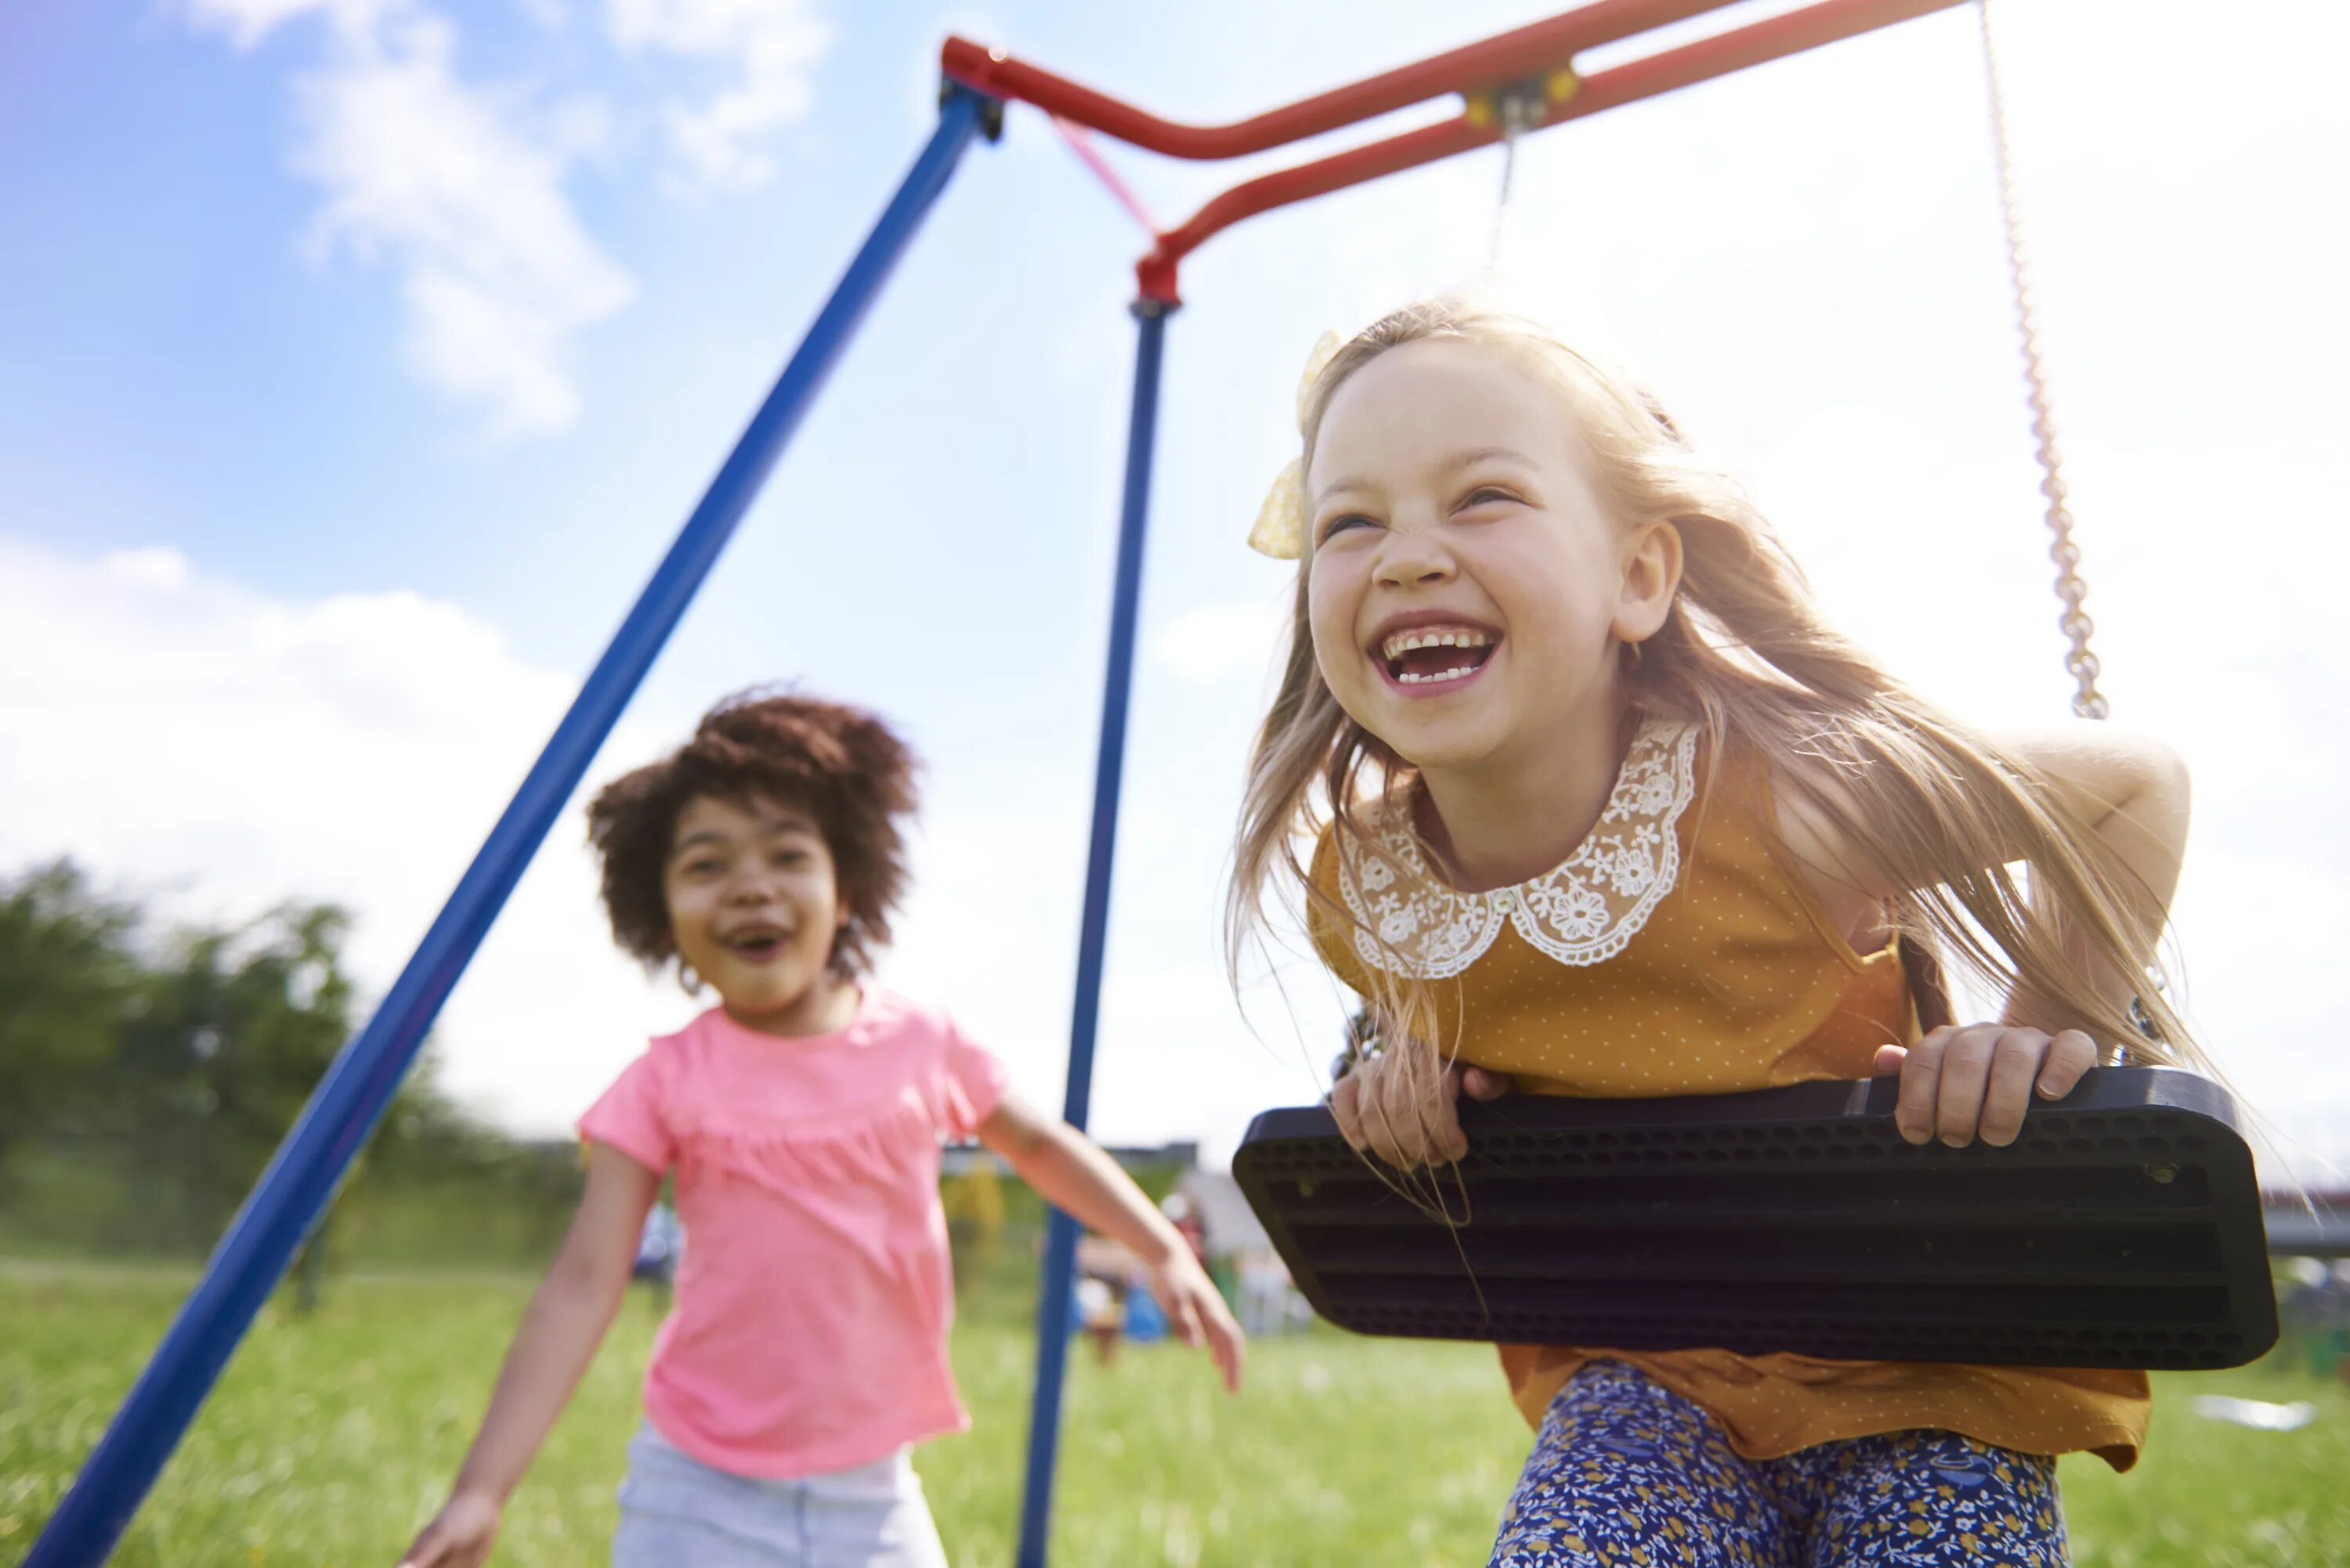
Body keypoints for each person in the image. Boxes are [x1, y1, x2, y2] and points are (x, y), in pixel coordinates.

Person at [1227, 301, 2205, 1566]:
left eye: (1481, 499)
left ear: (1638, 576)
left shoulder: (1783, 803)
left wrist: (2038, 1038)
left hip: (1927, 1371)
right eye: (1350, 522)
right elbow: (1482, 1026)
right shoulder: (1366, 888)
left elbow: (2136, 784)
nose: (1407, 555)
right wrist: (1407, 1084)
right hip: (1645, 1376)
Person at [399, 692, 1242, 1568]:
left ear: (847, 891)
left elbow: (1038, 1145)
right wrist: (480, 1491)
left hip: (871, 1495)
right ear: (663, 916)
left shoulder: (921, 1041)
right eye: (706, 864)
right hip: (694, 1490)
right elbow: (582, 1282)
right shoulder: (663, 1081)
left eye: (787, 854)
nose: (752, 883)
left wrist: (1161, 1246)